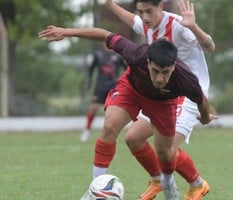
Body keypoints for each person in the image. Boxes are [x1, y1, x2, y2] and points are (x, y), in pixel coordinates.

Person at [38, 25, 217, 200]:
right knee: (110, 126)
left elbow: (201, 100)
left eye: (166, 72)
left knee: (166, 153)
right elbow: (105, 35)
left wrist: (206, 118)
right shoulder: (136, 53)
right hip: (131, 90)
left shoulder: (186, 78)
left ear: (174, 67)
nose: (160, 78)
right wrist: (67, 32)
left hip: (163, 103)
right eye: (155, 71)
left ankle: (167, 181)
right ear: (148, 62)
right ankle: (96, 191)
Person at [105, 0, 216, 199]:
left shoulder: (179, 25)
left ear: (160, 8)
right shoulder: (148, 23)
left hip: (188, 93)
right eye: (141, 12)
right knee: (133, 138)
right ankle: (158, 180)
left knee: (168, 148)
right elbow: (133, 21)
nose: (145, 17)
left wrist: (193, 26)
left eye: (149, 12)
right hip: (163, 91)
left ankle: (197, 185)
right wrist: (110, 4)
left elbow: (210, 46)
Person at [80, 45, 127, 142]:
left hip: (114, 87)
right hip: (100, 86)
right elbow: (91, 69)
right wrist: (88, 83)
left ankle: (112, 133)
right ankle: (87, 130)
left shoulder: (118, 55)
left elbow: (127, 69)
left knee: (113, 112)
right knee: (93, 108)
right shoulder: (98, 54)